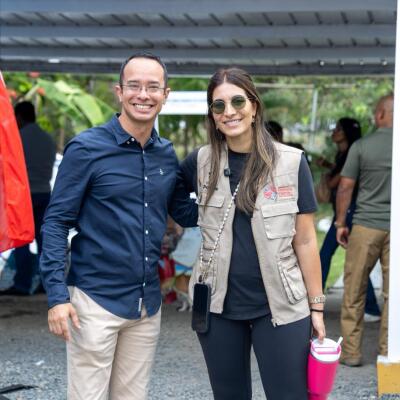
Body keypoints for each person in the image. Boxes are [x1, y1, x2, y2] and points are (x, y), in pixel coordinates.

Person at [39, 53, 197, 400]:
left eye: (153, 87)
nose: (144, 94)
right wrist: (56, 297)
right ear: (119, 91)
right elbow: (56, 222)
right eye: (134, 86)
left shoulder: (165, 154)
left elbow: (184, 213)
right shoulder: (86, 148)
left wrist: (232, 190)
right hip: (94, 301)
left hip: (146, 305)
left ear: (165, 94)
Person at [180, 68, 325, 400]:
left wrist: (317, 308)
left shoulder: (291, 162)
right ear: (212, 115)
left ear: (254, 106)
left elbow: (305, 240)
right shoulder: (200, 161)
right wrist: (193, 216)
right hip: (217, 306)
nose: (229, 112)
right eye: (219, 106)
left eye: (237, 101)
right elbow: (167, 192)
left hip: (281, 305)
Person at [336, 94, 393, 367]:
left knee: (354, 291)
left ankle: (351, 353)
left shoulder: (362, 146)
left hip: (365, 226)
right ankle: (389, 352)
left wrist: (340, 223)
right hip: (396, 229)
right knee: (394, 295)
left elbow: (345, 186)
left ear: (380, 114)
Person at [317, 118, 380, 320]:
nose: (334, 131)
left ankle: (314, 302)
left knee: (332, 257)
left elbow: (338, 182)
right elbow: (340, 170)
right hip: (345, 213)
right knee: (351, 260)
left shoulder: (352, 152)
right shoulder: (344, 154)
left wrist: (328, 175)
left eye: (338, 128)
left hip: (348, 213)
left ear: (346, 133)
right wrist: (329, 166)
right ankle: (370, 307)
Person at [0, 101, 56, 296]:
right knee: (45, 242)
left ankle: (22, 284)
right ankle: (47, 284)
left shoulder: (17, 138)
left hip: (23, 196)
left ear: (18, 117)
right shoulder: (47, 139)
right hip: (45, 193)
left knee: (21, 240)